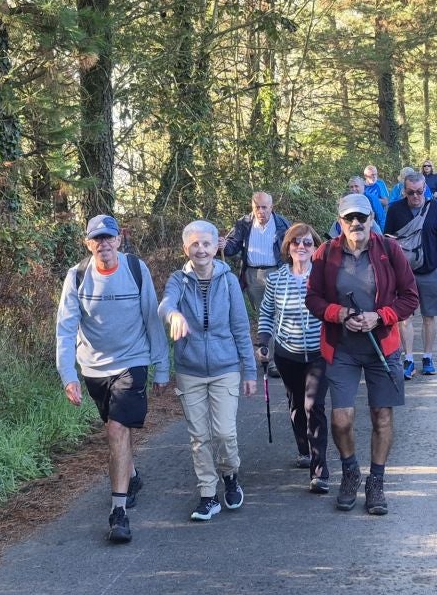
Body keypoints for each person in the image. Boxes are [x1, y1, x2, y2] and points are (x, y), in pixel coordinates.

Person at [55, 214, 171, 544]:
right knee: (113, 427)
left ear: (119, 239)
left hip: (131, 361)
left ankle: (118, 511)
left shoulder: (136, 270)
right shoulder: (77, 277)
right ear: (87, 243)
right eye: (97, 239)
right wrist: (68, 375)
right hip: (93, 367)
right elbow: (65, 329)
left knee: (117, 429)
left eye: (109, 238)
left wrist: (161, 366)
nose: (103, 244)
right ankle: (130, 476)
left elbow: (151, 317)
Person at [306, 194, 418, 516]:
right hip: (342, 348)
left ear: (372, 218)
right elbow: (312, 298)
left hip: (382, 346)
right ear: (339, 222)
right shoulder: (325, 254)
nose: (356, 224)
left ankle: (376, 482)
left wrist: (379, 316)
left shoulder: (390, 250)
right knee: (341, 419)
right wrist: (338, 313)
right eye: (349, 218)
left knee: (381, 416)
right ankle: (351, 472)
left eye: (362, 217)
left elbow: (410, 297)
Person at [160, 221, 258, 522]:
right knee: (199, 436)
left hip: (225, 367)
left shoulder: (228, 281)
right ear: (185, 248)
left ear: (216, 246)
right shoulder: (178, 279)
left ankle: (230, 475)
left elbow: (241, 328)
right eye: (194, 244)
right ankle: (207, 494)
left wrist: (250, 371)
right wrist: (173, 314)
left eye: (206, 244)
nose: (200, 249)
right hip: (190, 371)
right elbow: (164, 305)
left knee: (225, 433)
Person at [256, 223, 330, 492]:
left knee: (314, 405)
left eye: (308, 243)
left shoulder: (323, 276)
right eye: (296, 242)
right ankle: (304, 448)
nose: (302, 247)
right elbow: (266, 313)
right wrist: (263, 343)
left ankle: (320, 472)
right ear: (288, 246)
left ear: (315, 247)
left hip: (320, 354)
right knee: (297, 405)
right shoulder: (275, 279)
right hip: (287, 354)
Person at [385, 170, 437, 379]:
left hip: (430, 271)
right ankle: (409, 358)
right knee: (404, 318)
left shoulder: (436, 209)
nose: (415, 197)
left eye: (420, 192)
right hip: (403, 274)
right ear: (404, 191)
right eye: (411, 193)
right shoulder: (395, 210)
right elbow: (388, 241)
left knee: (429, 316)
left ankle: (428, 357)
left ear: (425, 190)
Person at [222, 191, 290, 317]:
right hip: (253, 276)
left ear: (271, 207)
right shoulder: (244, 223)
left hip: (277, 272)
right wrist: (223, 246)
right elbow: (232, 246)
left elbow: (291, 248)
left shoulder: (282, 224)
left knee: (281, 312)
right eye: (256, 207)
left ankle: (280, 336)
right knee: (262, 313)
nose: (260, 211)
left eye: (264, 207)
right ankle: (267, 336)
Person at [361, 165, 396, 234]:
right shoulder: (361, 186)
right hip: (364, 217)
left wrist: (373, 199)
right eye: (371, 175)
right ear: (365, 176)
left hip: (378, 218)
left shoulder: (379, 184)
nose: (374, 177)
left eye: (375, 174)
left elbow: (386, 202)